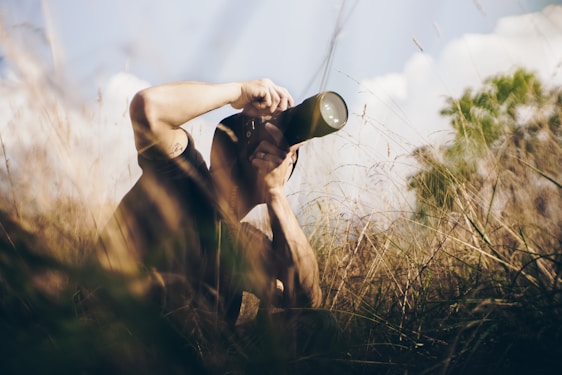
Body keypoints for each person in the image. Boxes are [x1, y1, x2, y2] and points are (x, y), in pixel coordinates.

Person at [96, 78, 323, 333]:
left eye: (285, 156)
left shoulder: (243, 242)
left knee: (313, 327)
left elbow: (307, 300)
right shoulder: (181, 179)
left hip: (197, 359)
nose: (278, 157)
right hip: (120, 341)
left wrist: (275, 194)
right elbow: (148, 108)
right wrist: (238, 92)